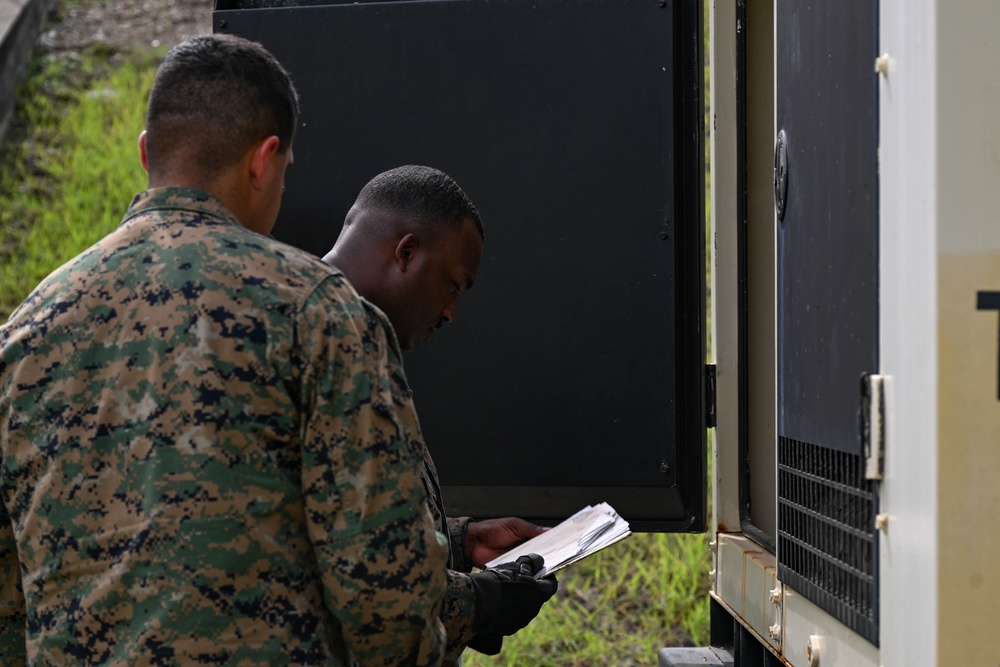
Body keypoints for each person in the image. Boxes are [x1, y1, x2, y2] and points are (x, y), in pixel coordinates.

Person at [0, 35, 449, 666]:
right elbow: (384, 601)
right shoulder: (319, 311)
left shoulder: (26, 332)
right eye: (286, 173)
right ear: (264, 161)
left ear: (144, 152)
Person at [323, 165, 558, 663]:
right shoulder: (329, 347)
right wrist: (485, 601)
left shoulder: (340, 335)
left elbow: (331, 524)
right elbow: (376, 597)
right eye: (453, 284)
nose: (450, 312)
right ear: (406, 252)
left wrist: (458, 540)